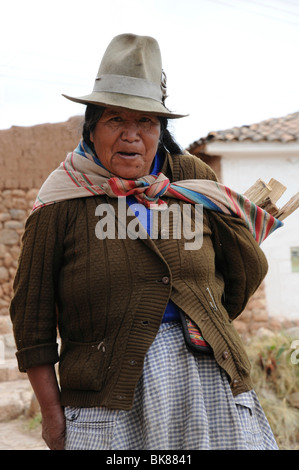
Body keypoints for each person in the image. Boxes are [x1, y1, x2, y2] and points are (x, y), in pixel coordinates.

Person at [10, 33, 279, 450]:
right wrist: (52, 416)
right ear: (93, 126)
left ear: (160, 129)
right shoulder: (62, 198)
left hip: (208, 383)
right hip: (107, 400)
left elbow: (245, 265)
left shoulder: (192, 179)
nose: (131, 135)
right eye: (116, 119)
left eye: (146, 122)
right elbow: (32, 322)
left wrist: (206, 317)